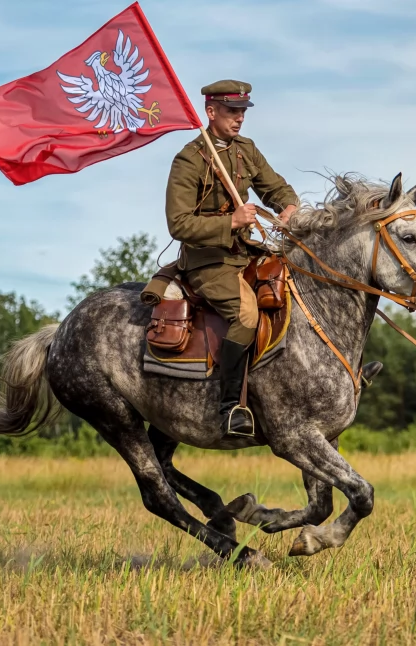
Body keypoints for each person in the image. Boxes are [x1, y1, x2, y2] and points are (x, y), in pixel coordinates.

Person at [165, 80, 299, 437]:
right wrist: (232, 221)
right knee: (247, 314)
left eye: (243, 112)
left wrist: (288, 207)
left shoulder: (246, 149)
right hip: (208, 263)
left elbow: (276, 187)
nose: (240, 118)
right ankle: (231, 408)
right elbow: (177, 223)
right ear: (211, 113)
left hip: (245, 254)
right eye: (232, 112)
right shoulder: (189, 160)